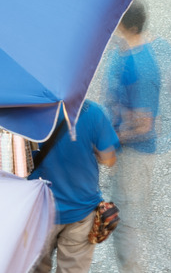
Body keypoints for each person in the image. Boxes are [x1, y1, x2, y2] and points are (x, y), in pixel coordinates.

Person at [103, 0, 171, 272]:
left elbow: (145, 126)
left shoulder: (137, 65)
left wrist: (108, 138)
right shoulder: (131, 52)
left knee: (128, 225)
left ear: (127, 25)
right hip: (149, 153)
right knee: (150, 220)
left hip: (137, 157)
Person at [29, 100, 119, 273]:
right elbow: (109, 159)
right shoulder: (92, 112)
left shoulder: (26, 112)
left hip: (39, 213)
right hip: (82, 211)